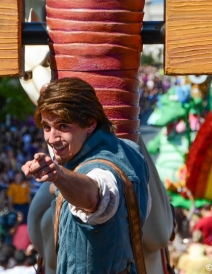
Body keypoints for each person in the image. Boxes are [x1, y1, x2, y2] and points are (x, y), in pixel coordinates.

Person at [22, 78, 151, 273]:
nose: (51, 138)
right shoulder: (131, 150)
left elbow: (98, 194)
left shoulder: (100, 172)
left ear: (90, 123)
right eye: (47, 127)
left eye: (63, 126)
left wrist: (58, 175)